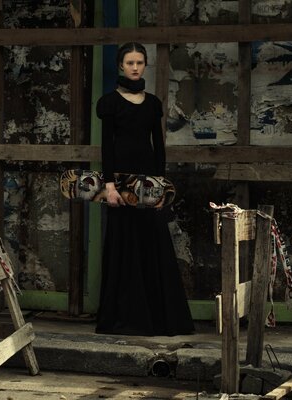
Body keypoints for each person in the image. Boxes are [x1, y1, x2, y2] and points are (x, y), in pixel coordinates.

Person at [95, 42, 195, 336]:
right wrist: (109, 185)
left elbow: (159, 148)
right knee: (124, 245)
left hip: (149, 184)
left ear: (145, 65)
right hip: (120, 184)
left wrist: (160, 187)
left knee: (153, 245)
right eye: (130, 63)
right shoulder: (109, 103)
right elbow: (107, 147)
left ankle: (158, 319)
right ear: (120, 66)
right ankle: (125, 318)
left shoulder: (152, 104)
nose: (135, 67)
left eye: (139, 62)